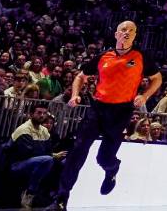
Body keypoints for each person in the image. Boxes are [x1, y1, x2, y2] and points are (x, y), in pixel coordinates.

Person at [53, 20, 159, 211]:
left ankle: (112, 170)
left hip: (121, 112)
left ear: (135, 36)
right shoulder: (104, 56)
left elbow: (157, 78)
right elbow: (80, 76)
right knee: (78, 151)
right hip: (98, 108)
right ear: (116, 34)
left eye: (131, 31)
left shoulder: (142, 57)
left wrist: (145, 95)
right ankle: (61, 198)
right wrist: (76, 94)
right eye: (123, 30)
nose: (127, 33)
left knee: (104, 158)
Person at [5, 105, 64, 209]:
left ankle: (58, 197)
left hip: (38, 161)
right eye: (39, 113)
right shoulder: (23, 129)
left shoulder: (44, 131)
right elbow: (28, 152)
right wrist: (51, 155)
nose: (42, 115)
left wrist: (54, 156)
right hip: (18, 164)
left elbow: (48, 150)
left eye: (44, 113)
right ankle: (29, 193)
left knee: (62, 163)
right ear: (31, 114)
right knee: (47, 160)